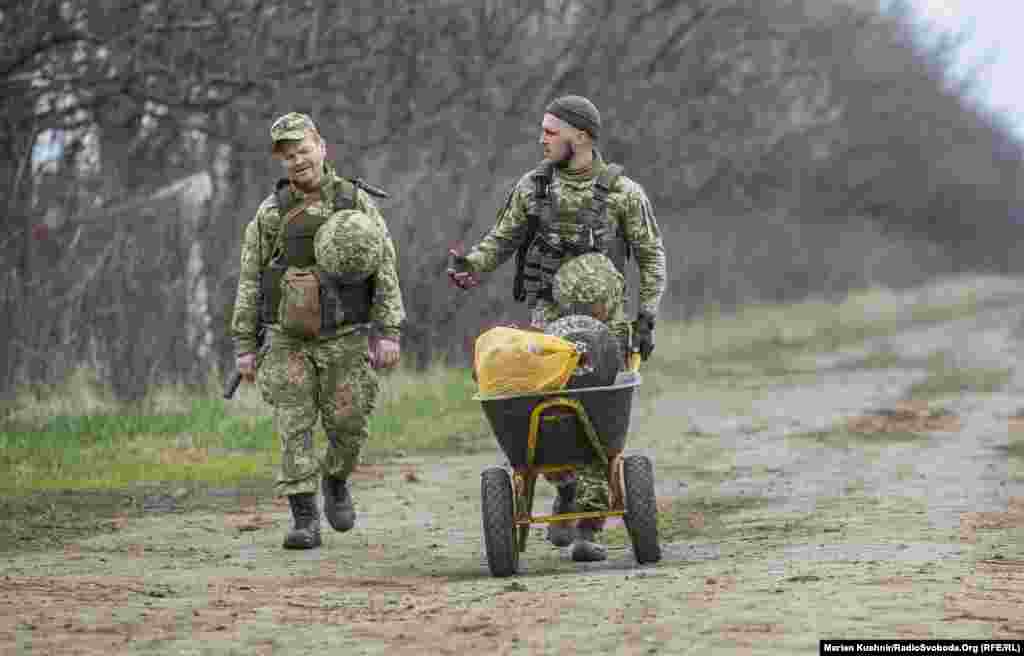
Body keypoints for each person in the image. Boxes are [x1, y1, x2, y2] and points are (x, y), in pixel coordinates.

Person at [448, 95, 666, 562]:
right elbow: (503, 238)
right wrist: (473, 265)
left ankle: (589, 527)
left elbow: (651, 256)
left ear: (581, 136)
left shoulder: (625, 193)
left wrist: (647, 316)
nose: (541, 139)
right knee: (545, 415)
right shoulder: (533, 188)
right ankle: (564, 484)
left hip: (606, 327)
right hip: (548, 325)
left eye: (551, 131)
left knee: (598, 419)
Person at [231, 112, 405, 550]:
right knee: (294, 425)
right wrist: (244, 345)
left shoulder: (354, 202)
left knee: (348, 424)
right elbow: (250, 278)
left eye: (303, 150)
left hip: (345, 336)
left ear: (321, 147)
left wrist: (388, 332)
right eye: (288, 155)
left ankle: (336, 479)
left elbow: (385, 267)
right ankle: (304, 517)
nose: (298, 160)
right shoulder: (271, 212)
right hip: (288, 338)